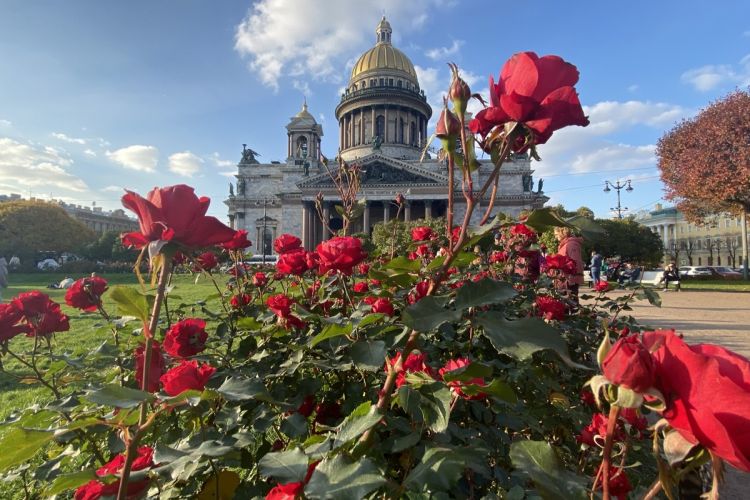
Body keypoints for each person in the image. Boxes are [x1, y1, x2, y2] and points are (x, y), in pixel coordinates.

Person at [554, 227, 584, 303]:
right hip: (565, 278)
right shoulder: (566, 244)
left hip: (569, 279)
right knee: (565, 302)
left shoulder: (571, 244)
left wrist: (571, 280)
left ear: (562, 233)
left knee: (571, 302)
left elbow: (574, 263)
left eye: (556, 234)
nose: (555, 236)